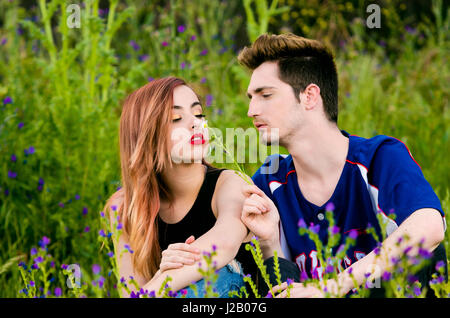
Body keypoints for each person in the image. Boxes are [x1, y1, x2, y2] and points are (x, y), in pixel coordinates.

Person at [237, 33, 447, 297]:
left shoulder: (377, 158)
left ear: (310, 96)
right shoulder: (270, 179)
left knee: (422, 248)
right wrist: (268, 242)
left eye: (265, 95)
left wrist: (332, 288)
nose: (251, 110)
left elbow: (429, 224)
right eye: (250, 98)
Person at [103, 77, 255, 298]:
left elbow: (223, 246)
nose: (196, 124)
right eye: (176, 118)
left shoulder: (230, 184)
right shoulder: (125, 206)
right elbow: (131, 291)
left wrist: (164, 278)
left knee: (218, 275)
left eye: (199, 114)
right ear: (146, 136)